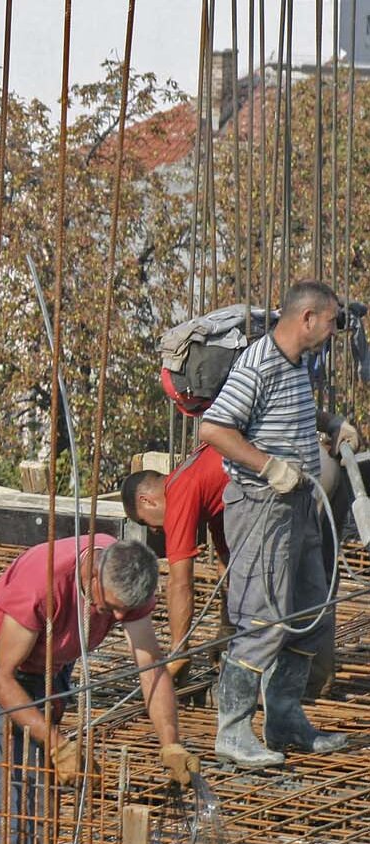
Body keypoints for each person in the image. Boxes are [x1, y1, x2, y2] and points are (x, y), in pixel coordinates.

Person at [0, 536, 196, 844]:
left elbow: (151, 668)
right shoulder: (43, 582)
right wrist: (57, 744)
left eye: (126, 609)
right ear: (93, 575)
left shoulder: (126, 574)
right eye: (110, 607)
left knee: (35, 791)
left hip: (49, 666)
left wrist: (171, 743)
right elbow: (1, 678)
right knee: (3, 791)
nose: (119, 615)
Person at [197, 279, 356, 767]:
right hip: (263, 505)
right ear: (306, 318)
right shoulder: (258, 363)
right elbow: (215, 427)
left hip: (301, 506)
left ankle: (284, 716)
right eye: (330, 322)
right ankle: (233, 731)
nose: (333, 332)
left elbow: (294, 412)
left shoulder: (298, 363)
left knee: (312, 611)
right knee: (263, 619)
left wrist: (329, 425)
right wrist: (267, 464)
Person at [120, 443, 230, 688]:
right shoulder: (202, 483)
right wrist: (227, 628)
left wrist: (179, 651)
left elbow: (180, 582)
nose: (154, 530)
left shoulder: (180, 491)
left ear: (146, 500)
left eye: (144, 521)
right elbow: (228, 563)